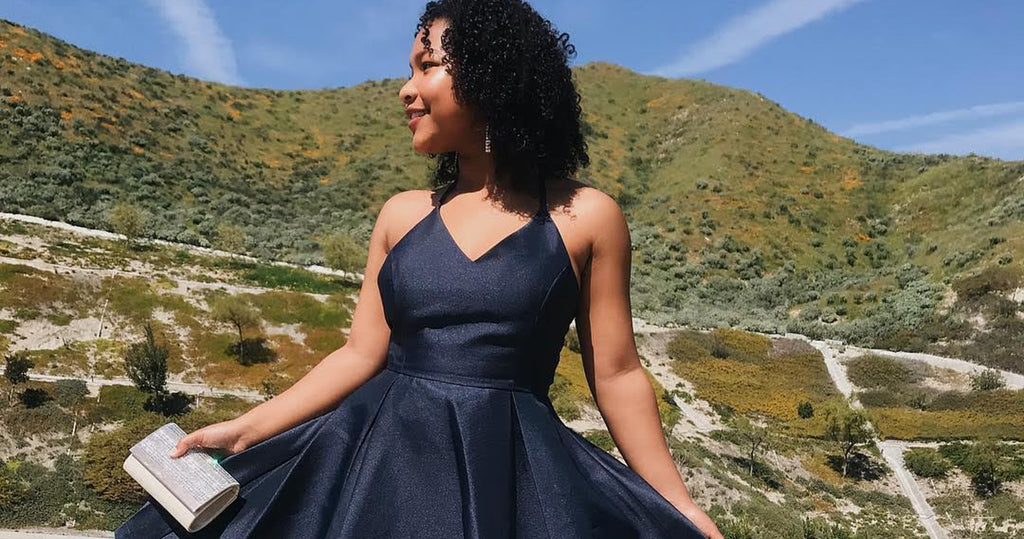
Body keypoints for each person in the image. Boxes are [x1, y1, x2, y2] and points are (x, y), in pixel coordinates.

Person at [115, 1, 723, 537]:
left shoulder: (588, 217)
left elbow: (615, 374)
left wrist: (679, 505)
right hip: (374, 463)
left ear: (491, 79)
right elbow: (358, 354)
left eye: (427, 67)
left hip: (509, 470)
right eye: (411, 69)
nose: (406, 89)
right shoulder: (401, 216)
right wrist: (247, 431)